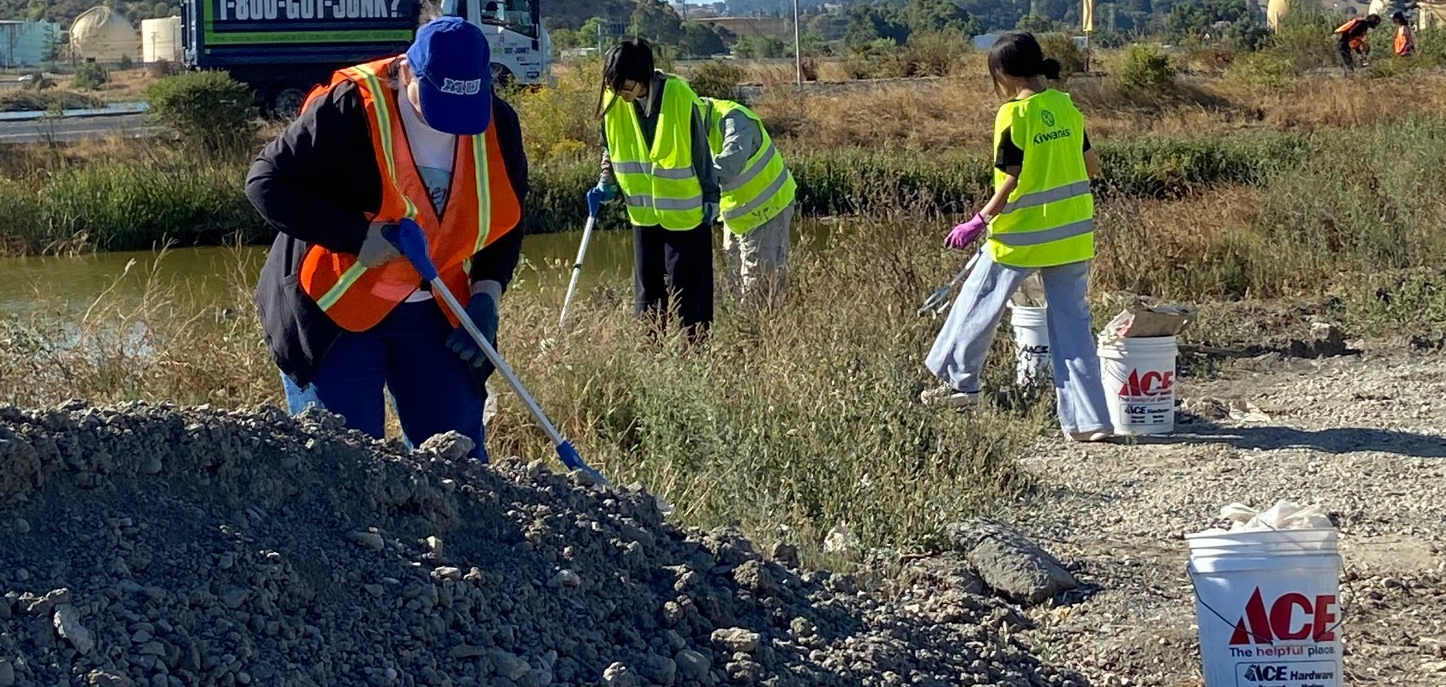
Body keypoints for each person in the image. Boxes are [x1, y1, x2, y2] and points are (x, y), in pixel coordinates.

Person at [246, 17, 528, 461]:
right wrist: (357, 236)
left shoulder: (497, 123)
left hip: (435, 312)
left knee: (461, 465)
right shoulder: (351, 108)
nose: (452, 126)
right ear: (407, 72)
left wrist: (487, 294)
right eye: (435, 105)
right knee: (345, 465)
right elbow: (266, 183)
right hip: (338, 309)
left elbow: (504, 217)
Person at [920, 31, 1113, 444]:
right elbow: (1092, 167)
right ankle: (1089, 421)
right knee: (1073, 328)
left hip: (1020, 235)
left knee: (976, 304)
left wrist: (979, 218)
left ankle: (960, 386)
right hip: (1073, 237)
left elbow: (1012, 177)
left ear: (1003, 72)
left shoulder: (1012, 115)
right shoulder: (1067, 108)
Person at [591, 38, 719, 341]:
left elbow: (700, 150)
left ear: (642, 76)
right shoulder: (614, 101)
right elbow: (609, 147)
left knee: (689, 290)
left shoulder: (678, 95)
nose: (621, 94)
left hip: (686, 212)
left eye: (625, 87)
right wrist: (605, 181)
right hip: (643, 213)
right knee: (648, 290)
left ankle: (696, 352)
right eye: (616, 87)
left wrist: (712, 196)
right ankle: (651, 350)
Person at [701, 96, 797, 305]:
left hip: (767, 208)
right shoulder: (696, 128)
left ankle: (767, 334)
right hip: (738, 215)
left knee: (760, 288)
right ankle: (746, 331)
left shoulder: (734, 119)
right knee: (736, 287)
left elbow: (729, 165)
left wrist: (688, 182)